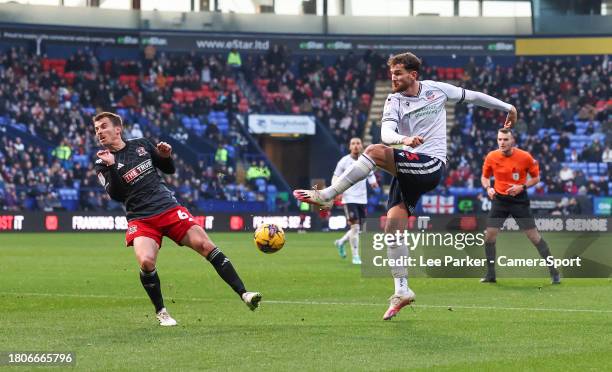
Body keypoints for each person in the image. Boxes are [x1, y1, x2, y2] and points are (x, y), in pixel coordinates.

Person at [294, 52, 518, 320]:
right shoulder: (393, 101)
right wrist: (404, 139)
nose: (393, 78)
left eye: (398, 73)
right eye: (391, 74)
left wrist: (507, 107)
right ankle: (402, 290)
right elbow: (386, 134)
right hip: (410, 164)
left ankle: (328, 195)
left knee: (375, 152)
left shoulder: (437, 89)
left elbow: (473, 96)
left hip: (432, 164)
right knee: (392, 226)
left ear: (413, 75)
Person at [93, 112, 261, 327]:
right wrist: (111, 166)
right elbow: (116, 195)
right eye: (97, 129)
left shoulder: (141, 145)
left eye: (103, 126)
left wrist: (165, 156)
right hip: (141, 219)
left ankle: (245, 294)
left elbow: (168, 170)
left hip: (168, 208)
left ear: (118, 129)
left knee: (206, 245)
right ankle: (162, 311)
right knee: (146, 261)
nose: (99, 132)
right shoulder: (101, 162)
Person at [481, 128, 560, 284]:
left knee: (534, 237)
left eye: (505, 139)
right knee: (489, 235)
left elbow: (536, 178)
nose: (502, 142)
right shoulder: (492, 156)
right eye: (499, 139)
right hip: (499, 200)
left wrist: (522, 187)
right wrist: (488, 188)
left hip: (519, 200)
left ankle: (554, 272)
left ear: (512, 141)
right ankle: (491, 275)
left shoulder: (525, 157)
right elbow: (485, 177)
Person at [333, 137, 378, 264]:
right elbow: (335, 177)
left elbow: (370, 173)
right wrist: (337, 191)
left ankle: (341, 242)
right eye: (353, 143)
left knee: (359, 229)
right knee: (355, 226)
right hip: (348, 197)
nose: (356, 146)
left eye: (358, 143)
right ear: (349, 147)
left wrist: (373, 182)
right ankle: (355, 256)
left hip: (362, 198)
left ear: (362, 146)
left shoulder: (366, 161)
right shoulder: (344, 161)